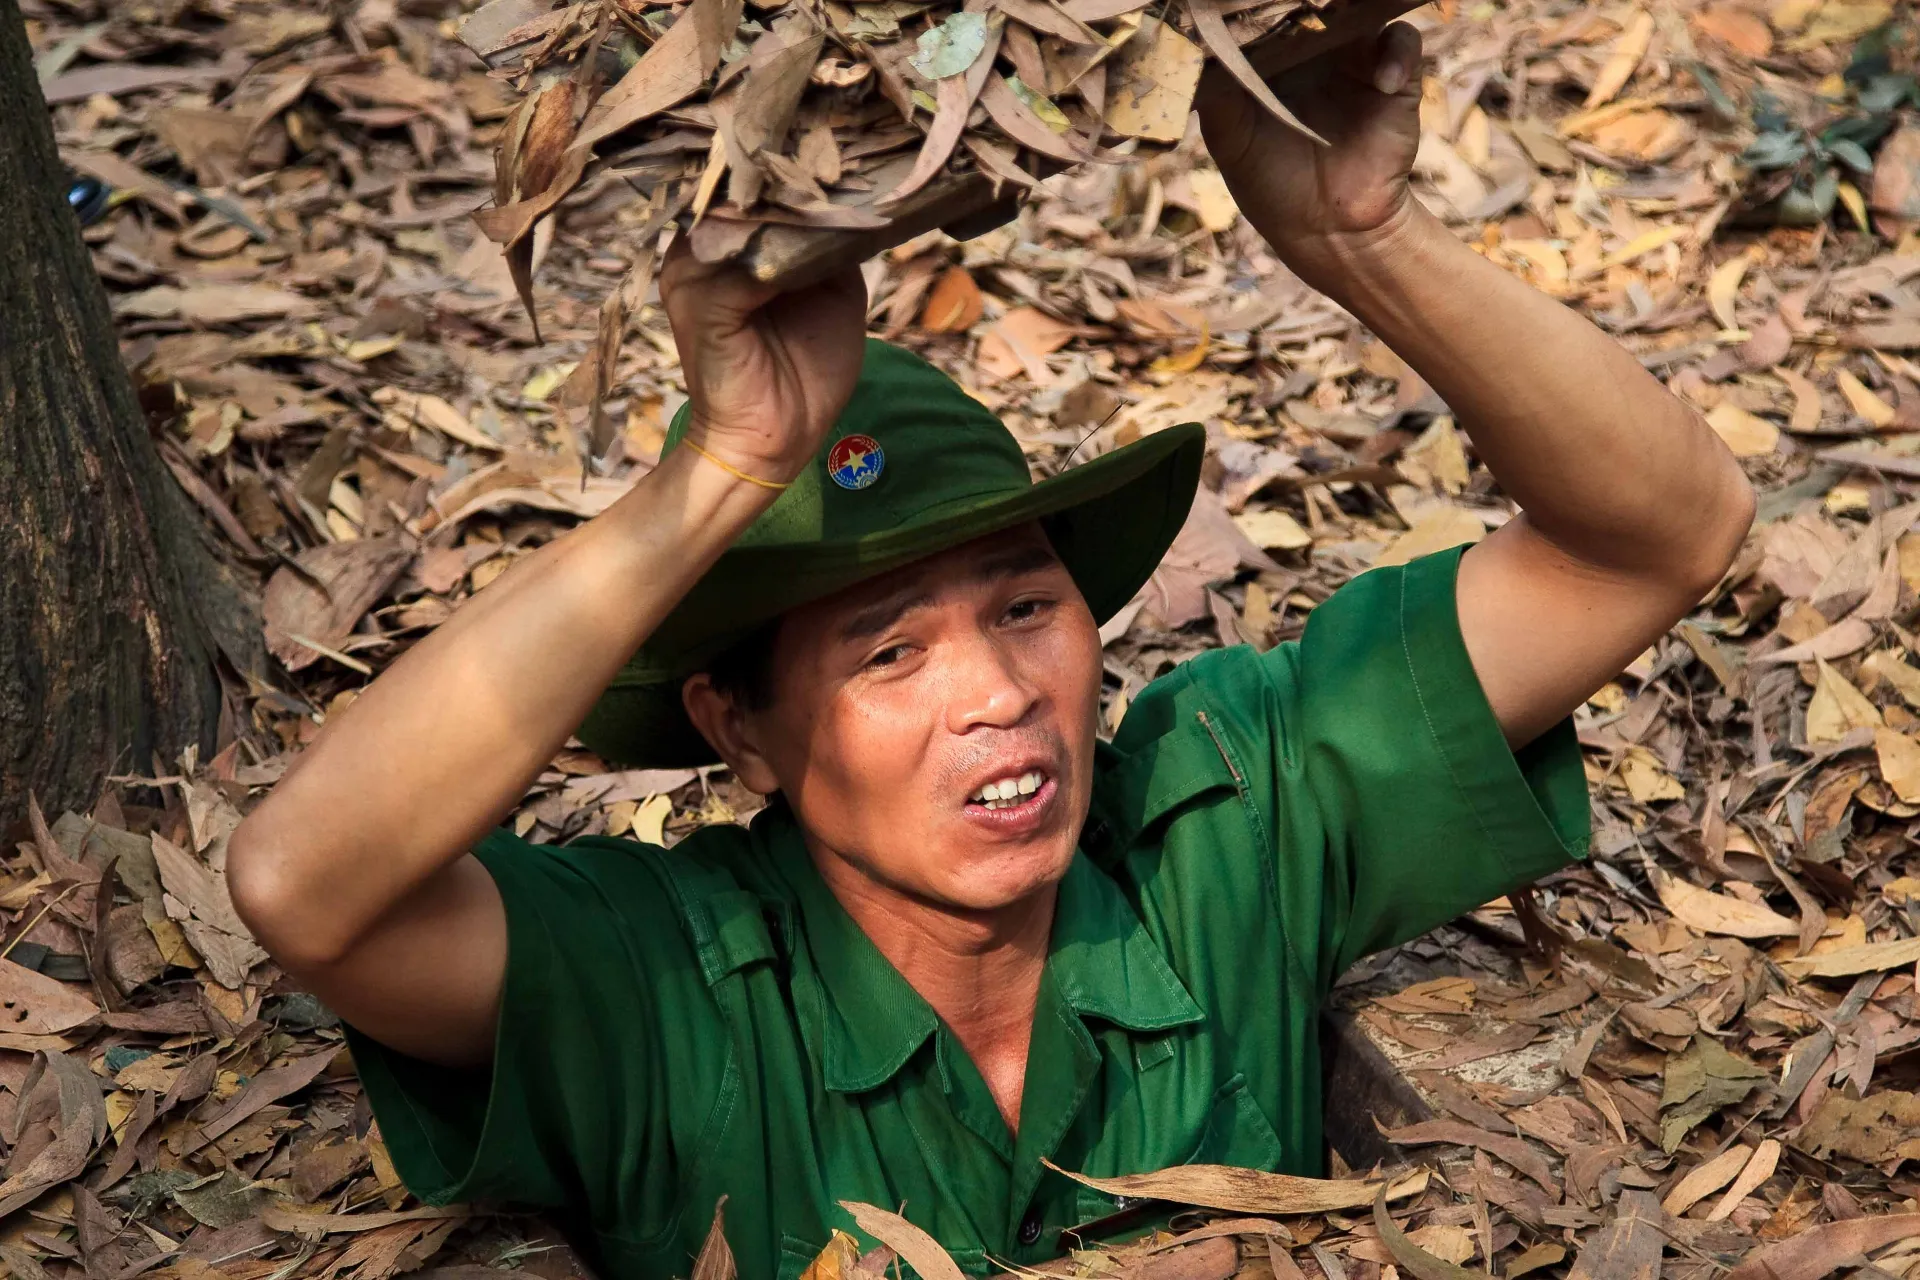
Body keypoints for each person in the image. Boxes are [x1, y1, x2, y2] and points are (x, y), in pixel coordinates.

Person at [227, 20, 1755, 1280]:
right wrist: (718, 478)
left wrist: (1363, 238)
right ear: (739, 728)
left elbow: (1661, 537)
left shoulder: (1229, 830)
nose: (1000, 695)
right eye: (887, 654)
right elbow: (308, 887)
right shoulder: (667, 986)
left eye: (1024, 608)